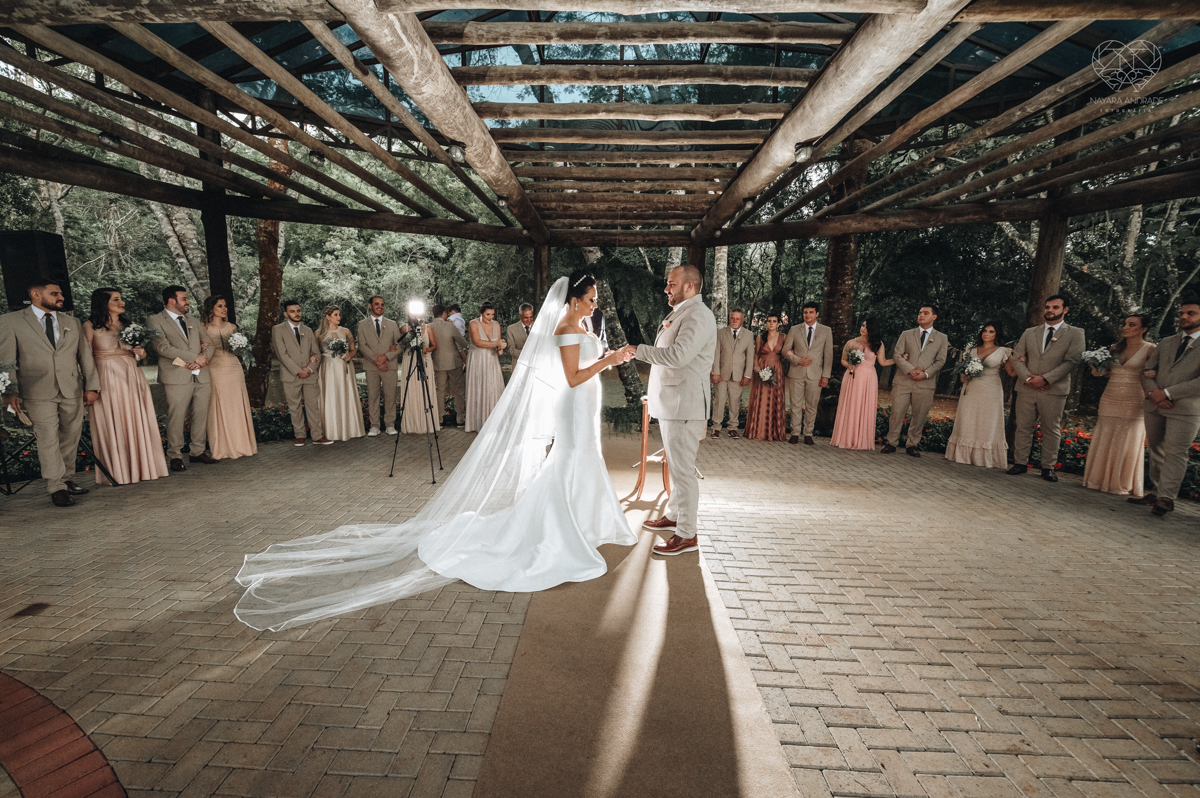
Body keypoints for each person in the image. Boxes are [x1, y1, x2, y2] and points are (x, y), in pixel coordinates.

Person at [234, 274, 637, 631]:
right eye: (591, 298)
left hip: (587, 404)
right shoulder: (567, 328)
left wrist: (608, 357)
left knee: (586, 457)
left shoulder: (582, 326)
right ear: (572, 301)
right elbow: (571, 378)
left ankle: (589, 517)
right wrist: (609, 360)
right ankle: (563, 523)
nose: (595, 303)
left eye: (596, 298)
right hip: (575, 403)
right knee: (571, 458)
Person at [625, 264, 718, 556]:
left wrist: (636, 349)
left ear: (689, 286)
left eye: (672, 284)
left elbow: (678, 356)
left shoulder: (698, 316)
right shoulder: (683, 313)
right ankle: (675, 515)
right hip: (674, 403)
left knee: (683, 471)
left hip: (685, 405)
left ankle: (687, 535)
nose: (667, 289)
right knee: (677, 468)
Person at [0, 280, 100, 506]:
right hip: (36, 390)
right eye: (54, 293)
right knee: (48, 437)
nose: (60, 297)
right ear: (35, 294)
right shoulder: (10, 322)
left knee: (71, 436)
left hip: (71, 388)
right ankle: (56, 487)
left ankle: (67, 479)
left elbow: (84, 356)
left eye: (61, 293)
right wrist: (9, 392)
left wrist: (91, 386)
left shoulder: (72, 322)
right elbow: (6, 361)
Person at [83, 287, 169, 486]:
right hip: (107, 376)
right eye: (116, 299)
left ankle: (144, 467)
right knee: (115, 419)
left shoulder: (128, 325)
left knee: (137, 418)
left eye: (121, 299)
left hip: (132, 374)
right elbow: (86, 356)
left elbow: (143, 355)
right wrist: (90, 385)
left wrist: (139, 351)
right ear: (103, 303)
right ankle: (119, 471)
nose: (121, 303)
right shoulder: (90, 326)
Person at [1133, 298, 1200, 516]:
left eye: (1191, 313)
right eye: (1182, 313)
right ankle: (1155, 490)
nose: (1184, 317)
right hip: (1155, 404)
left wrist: (1168, 393)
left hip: (1186, 408)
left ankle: (1166, 497)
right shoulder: (1166, 342)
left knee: (1176, 452)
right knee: (1156, 449)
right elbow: (1147, 370)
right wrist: (1155, 394)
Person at [1008, 294, 1086, 482]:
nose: (1050, 311)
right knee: (1023, 426)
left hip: (1054, 389)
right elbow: (1016, 356)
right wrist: (1028, 378)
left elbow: (1073, 360)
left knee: (1051, 429)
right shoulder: (1030, 332)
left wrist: (1046, 379)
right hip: (1026, 388)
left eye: (1055, 307)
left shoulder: (1076, 333)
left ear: (1065, 310)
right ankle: (1020, 463)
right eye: (1047, 307)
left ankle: (1048, 467)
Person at [1082, 314, 1155, 497]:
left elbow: (1156, 373)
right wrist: (1096, 369)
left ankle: (1121, 482)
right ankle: (1098, 479)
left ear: (1143, 329)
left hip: (1134, 398)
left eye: (1132, 325)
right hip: (1110, 396)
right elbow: (1105, 373)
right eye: (1125, 324)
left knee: (1128, 437)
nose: (1126, 327)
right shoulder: (1115, 348)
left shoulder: (1150, 349)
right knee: (1105, 433)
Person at [148, 285, 216, 471]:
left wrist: (203, 360)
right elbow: (162, 347)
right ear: (172, 300)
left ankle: (197, 451)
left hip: (201, 375)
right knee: (176, 417)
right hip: (176, 376)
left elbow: (209, 343)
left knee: (201, 414)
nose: (188, 302)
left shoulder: (193, 320)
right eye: (184, 298)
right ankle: (175, 455)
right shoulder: (155, 321)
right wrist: (194, 357)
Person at [882, 304, 948, 457]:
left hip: (925, 383)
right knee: (897, 412)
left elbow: (940, 360)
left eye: (925, 313)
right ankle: (891, 442)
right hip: (903, 380)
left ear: (934, 317)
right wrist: (911, 370)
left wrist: (925, 374)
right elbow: (897, 355)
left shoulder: (941, 338)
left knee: (919, 415)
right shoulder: (906, 334)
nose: (921, 315)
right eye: (919, 313)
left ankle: (912, 444)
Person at [944, 321, 1011, 468]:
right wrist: (964, 376)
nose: (986, 334)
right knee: (968, 418)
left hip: (991, 389)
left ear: (997, 334)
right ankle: (963, 455)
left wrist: (1020, 360)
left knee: (988, 421)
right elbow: (963, 369)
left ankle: (985, 458)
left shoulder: (1003, 351)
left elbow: (1012, 372)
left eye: (991, 331)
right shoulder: (971, 350)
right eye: (985, 331)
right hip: (971, 388)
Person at [199, 295, 257, 461]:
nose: (224, 309)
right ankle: (222, 447)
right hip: (215, 368)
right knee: (219, 404)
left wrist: (241, 347)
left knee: (236, 403)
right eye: (220, 306)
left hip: (233, 366)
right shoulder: (203, 328)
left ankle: (242, 444)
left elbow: (239, 349)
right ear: (211, 309)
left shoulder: (232, 327)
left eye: (225, 306)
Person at [272, 300, 331, 447]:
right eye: (292, 311)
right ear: (285, 314)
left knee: (313, 406)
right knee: (295, 406)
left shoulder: (309, 330)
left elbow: (316, 353)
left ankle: (317, 435)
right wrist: (298, 371)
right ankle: (300, 435)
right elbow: (281, 354)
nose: (296, 313)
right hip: (291, 375)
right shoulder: (278, 330)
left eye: (298, 310)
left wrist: (310, 368)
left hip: (310, 375)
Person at [831, 319, 894, 451]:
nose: (862, 328)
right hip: (852, 377)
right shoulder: (852, 342)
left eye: (866, 326)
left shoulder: (878, 344)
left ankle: (861, 439)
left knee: (864, 405)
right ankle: (845, 438)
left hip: (868, 378)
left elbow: (882, 362)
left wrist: (897, 360)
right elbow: (843, 359)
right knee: (850, 404)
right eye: (862, 325)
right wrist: (849, 365)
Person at [782, 302, 833, 445]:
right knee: (795, 404)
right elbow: (785, 350)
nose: (807, 315)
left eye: (811, 312)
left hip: (816, 374)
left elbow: (828, 355)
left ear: (817, 314)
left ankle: (808, 433)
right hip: (796, 373)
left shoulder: (826, 331)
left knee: (812, 405)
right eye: (805, 312)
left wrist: (825, 375)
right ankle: (795, 433)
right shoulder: (794, 329)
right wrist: (797, 360)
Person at [316, 305, 364, 442]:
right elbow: (316, 352)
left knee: (345, 394)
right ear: (328, 317)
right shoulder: (319, 334)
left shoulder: (346, 331)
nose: (339, 317)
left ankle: (350, 429)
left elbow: (354, 349)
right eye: (335, 315)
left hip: (344, 367)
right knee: (330, 395)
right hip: (328, 368)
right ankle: (332, 430)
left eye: (339, 314)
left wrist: (350, 356)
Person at [356, 295, 401, 436]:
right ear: (370, 305)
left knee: (390, 396)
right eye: (376, 304)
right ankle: (374, 426)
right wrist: (377, 360)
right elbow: (362, 346)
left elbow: (399, 345)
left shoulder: (392, 324)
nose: (380, 306)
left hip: (390, 366)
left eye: (382, 304)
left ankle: (390, 425)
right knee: (373, 396)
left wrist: (385, 357)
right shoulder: (362, 324)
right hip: (371, 366)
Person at [710, 309, 754, 439]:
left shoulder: (748, 334)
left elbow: (750, 356)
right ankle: (716, 427)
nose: (734, 321)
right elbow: (716, 353)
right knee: (719, 401)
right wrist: (715, 372)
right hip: (722, 374)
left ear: (742, 320)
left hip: (738, 375)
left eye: (737, 318)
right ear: (729, 319)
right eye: (732, 318)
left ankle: (733, 428)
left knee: (735, 402)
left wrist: (747, 375)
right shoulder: (720, 333)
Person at [744, 312, 787, 442]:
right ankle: (758, 430)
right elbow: (756, 354)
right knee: (761, 398)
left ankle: (774, 432)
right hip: (762, 369)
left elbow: (786, 353)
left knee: (776, 397)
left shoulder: (784, 337)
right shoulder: (760, 337)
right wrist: (756, 366)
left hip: (777, 370)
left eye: (774, 321)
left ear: (779, 323)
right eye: (769, 321)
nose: (771, 323)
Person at [465, 302, 506, 432]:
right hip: (478, 359)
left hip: (492, 359)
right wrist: (496, 343)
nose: (490, 317)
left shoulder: (496, 324)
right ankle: (477, 423)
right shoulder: (473, 323)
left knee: (492, 386)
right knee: (479, 386)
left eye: (492, 314)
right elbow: (477, 342)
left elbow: (498, 343)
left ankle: (494, 422)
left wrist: (500, 348)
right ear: (481, 313)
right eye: (488, 314)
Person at [399, 311, 440, 434]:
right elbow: (402, 343)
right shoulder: (404, 328)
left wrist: (427, 349)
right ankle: (412, 424)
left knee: (425, 390)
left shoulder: (428, 328)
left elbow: (434, 345)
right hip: (409, 361)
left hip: (425, 360)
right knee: (411, 390)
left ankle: (426, 423)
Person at [429, 305, 468, 427]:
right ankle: (460, 420)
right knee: (458, 391)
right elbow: (463, 342)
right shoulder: (450, 326)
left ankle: (439, 420)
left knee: (439, 391)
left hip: (438, 362)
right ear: (444, 313)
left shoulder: (429, 327)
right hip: (453, 362)